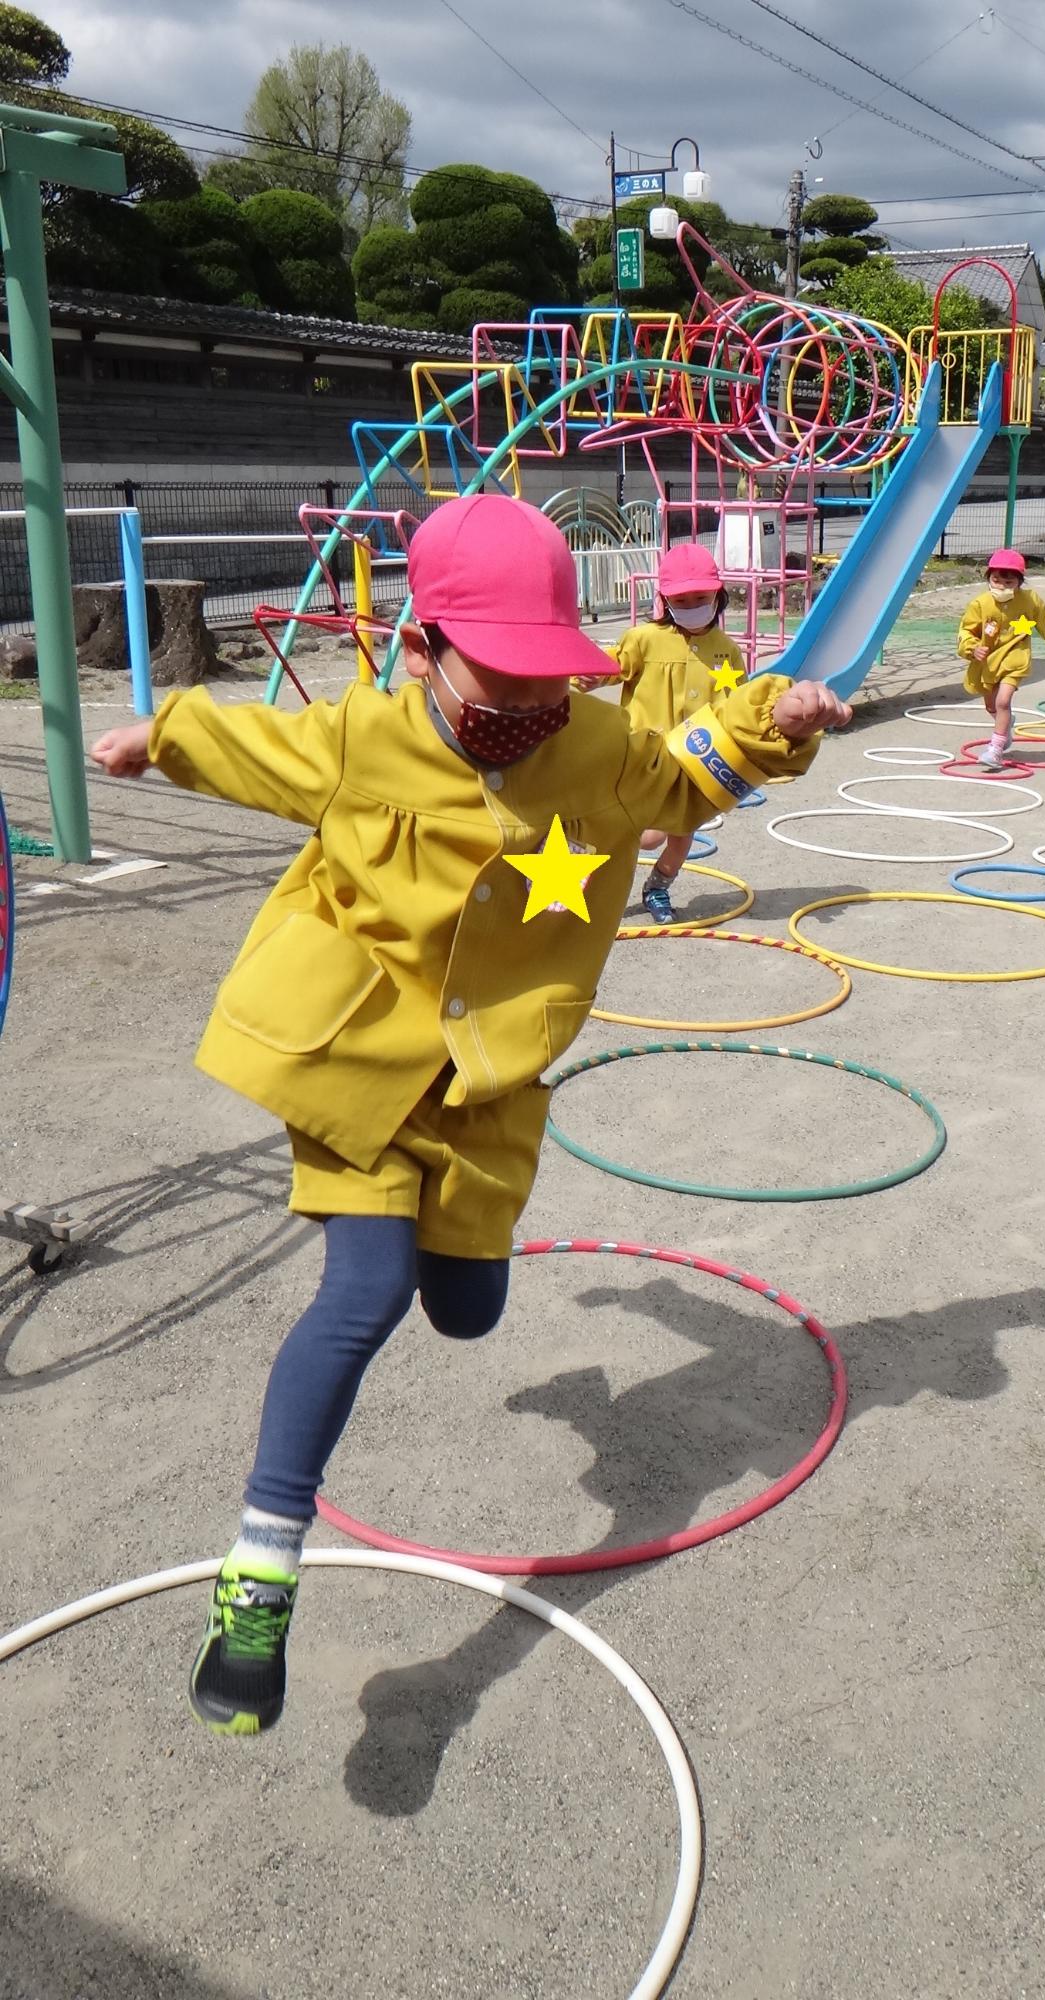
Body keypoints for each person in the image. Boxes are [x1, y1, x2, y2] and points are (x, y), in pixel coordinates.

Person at [88, 493, 849, 1737]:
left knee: (467, 1309)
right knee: (363, 1289)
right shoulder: (363, 736)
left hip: (493, 1084)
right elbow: (247, 746)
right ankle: (260, 1570)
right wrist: (155, 735)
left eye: (549, 680)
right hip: (358, 1061)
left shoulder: (596, 747)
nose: (527, 708)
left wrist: (782, 716)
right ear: (422, 643)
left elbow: (689, 774)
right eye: (501, 681)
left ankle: (486, 1304)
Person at [605, 542, 747, 922]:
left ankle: (658, 887)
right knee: (640, 832)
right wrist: (579, 675)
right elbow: (608, 666)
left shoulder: (726, 650)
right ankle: (597, 882)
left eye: (701, 597)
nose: (693, 606)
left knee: (681, 834)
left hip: (695, 761)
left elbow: (739, 707)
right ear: (665, 601)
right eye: (682, 601)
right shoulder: (643, 640)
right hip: (641, 757)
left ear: (718, 595)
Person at [956, 548, 1045, 771]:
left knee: (1003, 701)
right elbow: (966, 631)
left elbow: (1044, 619)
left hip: (1015, 658)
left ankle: (995, 749)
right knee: (991, 704)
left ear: (1020, 582)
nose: (1001, 586)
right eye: (996, 580)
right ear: (989, 578)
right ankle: (1006, 724)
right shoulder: (980, 604)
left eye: (1008, 582)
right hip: (987, 662)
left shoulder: (1029, 600)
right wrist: (972, 648)